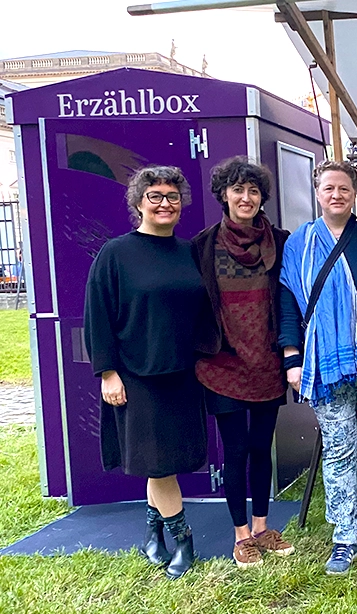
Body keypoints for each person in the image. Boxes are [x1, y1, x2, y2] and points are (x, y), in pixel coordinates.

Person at [83, 165, 207, 579]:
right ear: (138, 202)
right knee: (158, 464)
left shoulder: (189, 252)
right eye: (155, 196)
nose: (165, 204)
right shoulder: (115, 253)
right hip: (137, 376)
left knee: (166, 460)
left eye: (172, 196)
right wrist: (107, 373)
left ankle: (152, 533)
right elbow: (97, 316)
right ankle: (183, 540)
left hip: (182, 374)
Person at [278, 159, 357, 575]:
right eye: (329, 188)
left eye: (344, 188)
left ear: (356, 192)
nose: (336, 195)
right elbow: (288, 301)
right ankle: (344, 536)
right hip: (322, 362)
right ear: (317, 192)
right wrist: (291, 356)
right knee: (340, 445)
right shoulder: (300, 243)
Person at [192, 157, 293, 569]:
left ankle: (262, 526)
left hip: (268, 362)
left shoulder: (282, 242)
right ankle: (240, 536)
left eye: (253, 191)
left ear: (261, 197)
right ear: (223, 195)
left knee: (259, 447)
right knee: (233, 451)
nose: (246, 198)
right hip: (222, 364)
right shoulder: (202, 245)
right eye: (237, 190)